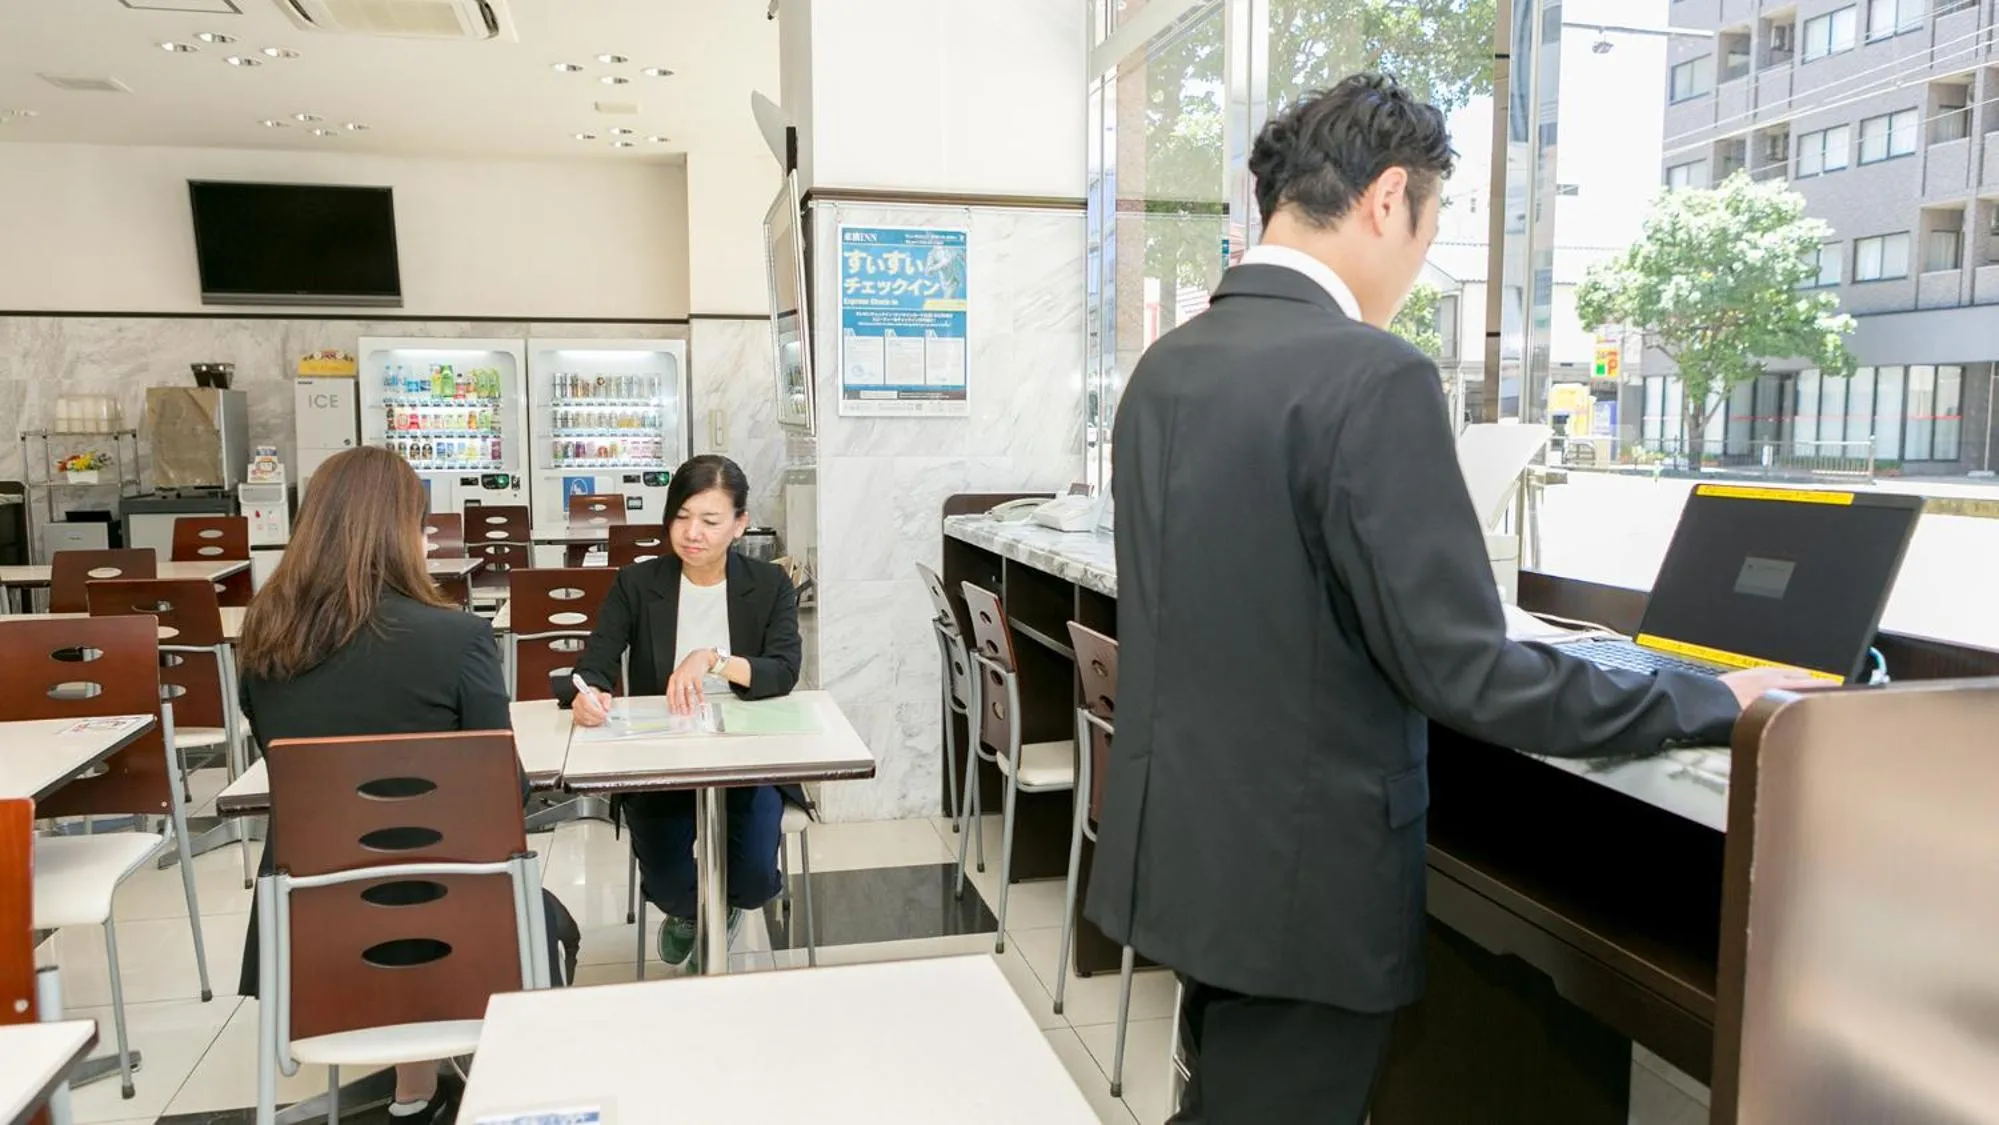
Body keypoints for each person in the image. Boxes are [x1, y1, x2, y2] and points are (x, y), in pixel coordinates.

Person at [1083, 73, 1817, 1124]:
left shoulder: (1166, 367)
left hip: (1194, 856)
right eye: (1427, 230)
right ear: (1389, 199)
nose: (1418, 266)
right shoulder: (1367, 375)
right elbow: (1462, 669)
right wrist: (1713, 699)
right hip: (1303, 883)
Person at [235, 446, 578, 1120]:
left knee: (386, 872)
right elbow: (499, 793)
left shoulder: (264, 641)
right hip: (452, 928)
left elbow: (291, 778)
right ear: (402, 532)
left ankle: (413, 1092)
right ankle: (501, 1089)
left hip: (309, 937)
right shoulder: (456, 638)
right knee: (537, 916)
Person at [569, 454, 802, 970]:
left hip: (746, 760)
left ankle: (724, 908)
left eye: (710, 521)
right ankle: (694, 913)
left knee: (754, 881)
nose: (692, 533)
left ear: (740, 524)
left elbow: (784, 670)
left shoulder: (768, 585)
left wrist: (715, 660)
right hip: (662, 759)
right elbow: (593, 666)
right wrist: (588, 695)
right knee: (670, 886)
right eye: (682, 516)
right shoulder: (639, 583)